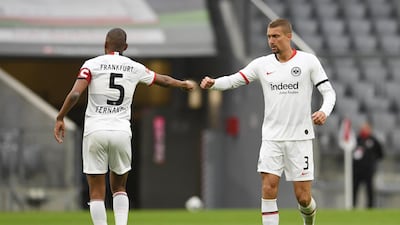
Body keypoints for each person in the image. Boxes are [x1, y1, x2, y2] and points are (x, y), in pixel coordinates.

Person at [54, 28, 196, 225]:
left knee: (96, 191)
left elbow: (75, 94)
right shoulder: (134, 67)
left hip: (95, 131)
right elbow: (161, 80)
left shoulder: (92, 65)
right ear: (125, 47)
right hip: (121, 131)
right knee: (119, 188)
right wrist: (182, 84)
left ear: (105, 44)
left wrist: (60, 117)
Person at [200, 18, 336, 225]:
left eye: (276, 36)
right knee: (268, 187)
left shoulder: (308, 61)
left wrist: (324, 112)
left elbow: (329, 92)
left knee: (303, 198)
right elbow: (235, 79)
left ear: (288, 37)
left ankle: (309, 221)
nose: (271, 41)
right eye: (269, 37)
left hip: (300, 138)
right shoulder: (262, 64)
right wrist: (213, 83)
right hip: (272, 138)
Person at [353, 122, 384, 208]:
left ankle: (370, 207)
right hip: (356, 171)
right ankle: (353, 206)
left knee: (369, 189)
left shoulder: (374, 140)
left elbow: (380, 154)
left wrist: (372, 161)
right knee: (354, 189)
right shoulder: (356, 140)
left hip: (369, 170)